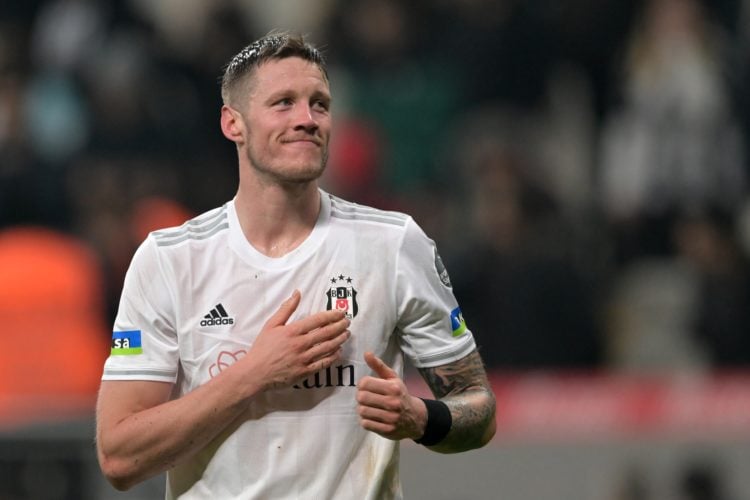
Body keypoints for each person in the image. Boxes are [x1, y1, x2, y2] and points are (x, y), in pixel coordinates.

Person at [95, 31, 496, 499]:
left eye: (320, 104)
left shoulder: (392, 245)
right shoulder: (170, 260)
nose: (307, 119)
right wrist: (255, 373)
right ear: (233, 123)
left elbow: (479, 410)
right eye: (283, 103)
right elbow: (119, 457)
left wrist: (421, 418)